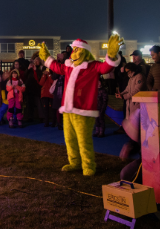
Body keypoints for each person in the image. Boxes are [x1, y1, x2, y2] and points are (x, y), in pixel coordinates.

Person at [39, 36, 123, 176]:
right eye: (74, 49)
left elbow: (106, 67)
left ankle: (88, 165)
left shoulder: (93, 66)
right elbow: (56, 67)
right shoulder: (69, 67)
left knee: (84, 141)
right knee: (69, 139)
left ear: (85, 52)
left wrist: (112, 54)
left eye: (78, 50)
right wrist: (47, 57)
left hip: (84, 110)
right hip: (68, 110)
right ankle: (75, 162)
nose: (74, 53)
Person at [117, 63, 147, 159]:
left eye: (128, 71)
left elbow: (136, 91)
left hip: (138, 105)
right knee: (134, 129)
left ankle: (136, 149)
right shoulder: (131, 79)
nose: (128, 73)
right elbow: (127, 89)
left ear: (133, 70)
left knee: (138, 129)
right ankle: (136, 148)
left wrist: (124, 97)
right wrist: (121, 94)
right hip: (131, 105)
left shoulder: (139, 77)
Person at [23, 57, 45, 123]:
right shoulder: (30, 68)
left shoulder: (41, 68)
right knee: (29, 103)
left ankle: (42, 117)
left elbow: (42, 76)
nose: (36, 62)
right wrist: (28, 69)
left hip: (37, 88)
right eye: (35, 61)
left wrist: (37, 70)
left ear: (40, 61)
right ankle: (30, 117)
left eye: (37, 61)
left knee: (39, 103)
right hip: (29, 89)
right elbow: (25, 75)